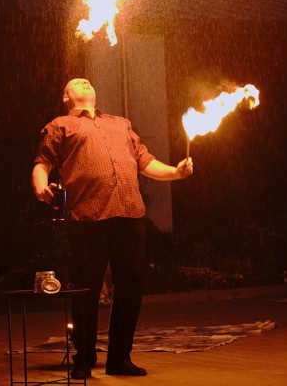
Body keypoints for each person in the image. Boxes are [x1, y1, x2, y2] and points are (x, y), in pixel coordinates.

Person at [32, 78, 193, 379]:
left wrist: (176, 172)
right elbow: (42, 163)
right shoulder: (60, 125)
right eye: (76, 83)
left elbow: (145, 162)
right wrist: (41, 187)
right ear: (65, 97)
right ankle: (84, 357)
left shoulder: (121, 124)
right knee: (86, 290)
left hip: (129, 214)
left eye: (88, 81)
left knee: (131, 287)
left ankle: (120, 357)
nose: (85, 82)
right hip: (88, 218)